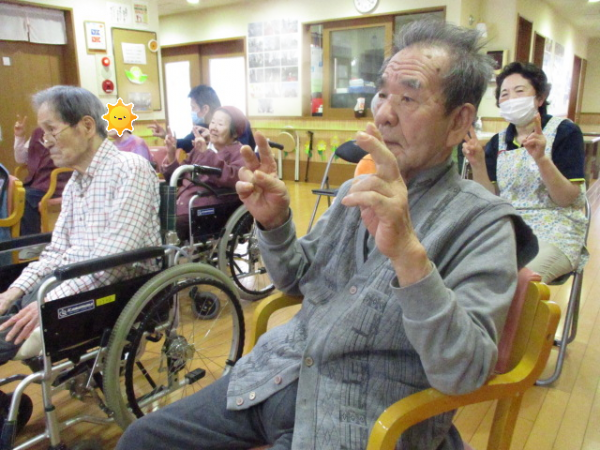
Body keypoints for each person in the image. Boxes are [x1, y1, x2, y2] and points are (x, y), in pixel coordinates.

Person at [117, 20, 538, 450]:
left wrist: (408, 255)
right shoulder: (357, 190)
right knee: (142, 440)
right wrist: (274, 222)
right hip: (274, 374)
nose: (384, 113)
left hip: (363, 417)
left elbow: (463, 371)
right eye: (382, 94)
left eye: (408, 97)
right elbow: (297, 279)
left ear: (458, 122)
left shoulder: (484, 223)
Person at [0, 85, 161, 365]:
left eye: (51, 130)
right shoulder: (76, 182)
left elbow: (115, 260)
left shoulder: (130, 169)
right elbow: (56, 251)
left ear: (87, 126)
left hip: (109, 290)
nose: (46, 142)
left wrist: (47, 303)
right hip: (65, 285)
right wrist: (14, 291)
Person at [462, 61, 587, 283]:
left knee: (515, 280)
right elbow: (491, 200)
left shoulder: (564, 132)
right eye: (504, 94)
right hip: (508, 227)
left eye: (519, 91)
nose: (511, 99)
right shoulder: (498, 142)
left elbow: (566, 198)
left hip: (557, 228)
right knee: (464, 270)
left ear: (539, 98)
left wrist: (541, 159)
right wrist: (478, 163)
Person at [161, 105, 247, 241]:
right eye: (213, 122)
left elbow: (232, 177)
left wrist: (206, 153)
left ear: (235, 133)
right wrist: (171, 153)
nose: (213, 128)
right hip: (182, 204)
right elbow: (176, 177)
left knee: (167, 224)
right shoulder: (201, 148)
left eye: (220, 124)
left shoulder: (240, 152)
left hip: (205, 210)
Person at [148, 84, 256, 151]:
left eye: (193, 107)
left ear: (205, 109)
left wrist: (214, 139)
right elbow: (187, 143)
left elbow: (244, 152)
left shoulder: (237, 121)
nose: (192, 112)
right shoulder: (201, 126)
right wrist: (166, 136)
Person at [13, 115, 71, 236]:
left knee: (26, 196)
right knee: (9, 192)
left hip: (57, 186)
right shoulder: (37, 132)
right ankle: (11, 237)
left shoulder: (68, 131)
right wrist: (19, 136)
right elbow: (21, 159)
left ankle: (31, 240)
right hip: (35, 184)